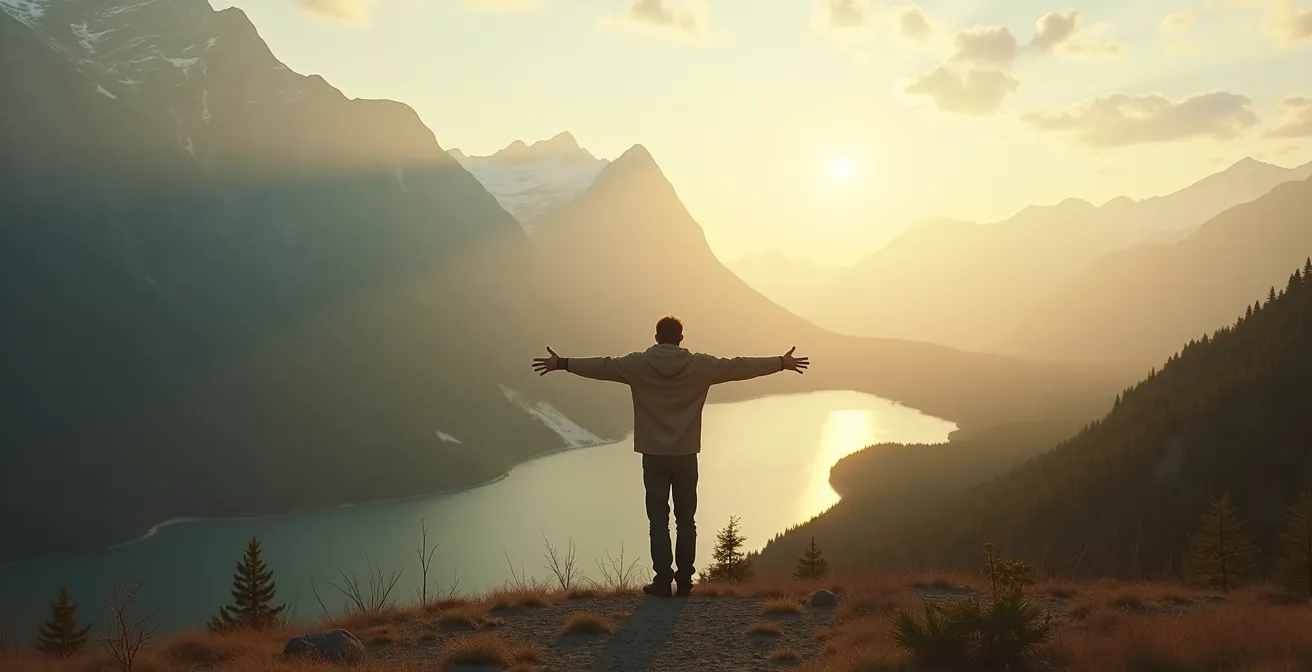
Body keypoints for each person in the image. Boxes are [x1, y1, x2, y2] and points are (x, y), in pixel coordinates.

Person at [531, 315, 809, 597]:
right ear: (681, 338)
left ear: (656, 337)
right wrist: (780, 363)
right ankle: (685, 581)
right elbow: (739, 366)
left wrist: (563, 363)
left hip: (653, 456)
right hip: (686, 455)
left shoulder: (636, 365)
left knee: (658, 520)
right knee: (686, 520)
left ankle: (662, 581)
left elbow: (602, 366)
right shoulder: (701, 365)